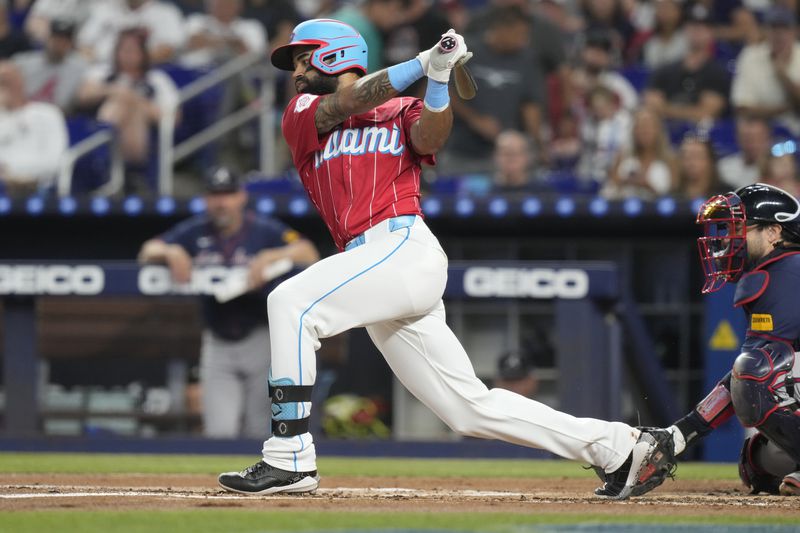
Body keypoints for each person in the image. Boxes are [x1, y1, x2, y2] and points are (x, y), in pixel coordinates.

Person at [216, 18, 674, 499]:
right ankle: (618, 447)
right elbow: (349, 102)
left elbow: (431, 138)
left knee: (291, 302)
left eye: (303, 56)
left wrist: (437, 80)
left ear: (334, 54)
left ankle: (289, 457)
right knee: (467, 409)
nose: (297, 69)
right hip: (370, 264)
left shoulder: (401, 108)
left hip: (400, 246)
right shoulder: (302, 111)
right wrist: (422, 61)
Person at [634, 183, 800, 497]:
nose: (727, 240)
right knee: (758, 462)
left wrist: (683, 433)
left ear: (773, 232)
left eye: (740, 228)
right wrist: (681, 433)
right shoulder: (778, 270)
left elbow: (751, 374)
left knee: (757, 371)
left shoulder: (789, 271)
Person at [137, 167, 320, 438]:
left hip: (261, 338)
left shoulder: (263, 229)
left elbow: (309, 253)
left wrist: (273, 255)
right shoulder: (196, 230)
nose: (222, 202)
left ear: (241, 197)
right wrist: (170, 250)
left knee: (261, 430)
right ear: (206, 199)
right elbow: (147, 251)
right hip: (217, 342)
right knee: (219, 433)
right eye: (215, 195)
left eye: (228, 194)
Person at [442, 6, 546, 176]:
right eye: (519, 34)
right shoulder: (466, 53)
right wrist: (475, 120)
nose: (523, 40)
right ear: (501, 29)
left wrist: (537, 144)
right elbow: (447, 90)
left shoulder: (528, 60)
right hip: (463, 152)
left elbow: (531, 106)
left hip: (508, 158)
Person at [77, 29, 179, 169]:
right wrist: (114, 90)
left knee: (128, 104)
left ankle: (104, 155)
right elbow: (82, 96)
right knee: (119, 101)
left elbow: (173, 118)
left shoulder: (157, 80)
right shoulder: (101, 72)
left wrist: (135, 100)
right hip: (98, 120)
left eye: (133, 51)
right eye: (124, 50)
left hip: (140, 138)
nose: (128, 55)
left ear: (143, 54)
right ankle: (105, 156)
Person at [643, 8, 730, 126]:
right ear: (685, 30)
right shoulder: (665, 70)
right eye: (692, 26)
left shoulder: (718, 73)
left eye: (703, 27)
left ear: (711, 32)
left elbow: (706, 113)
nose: (696, 31)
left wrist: (665, 109)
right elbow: (651, 105)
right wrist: (691, 112)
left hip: (701, 138)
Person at [730, 6, 800, 136]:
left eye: (784, 29)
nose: (779, 35)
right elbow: (742, 109)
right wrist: (784, 109)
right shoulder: (750, 55)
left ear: (795, 31)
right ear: (766, 31)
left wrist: (783, 76)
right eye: (774, 29)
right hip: (758, 133)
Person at [0, 61, 67, 195]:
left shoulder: (48, 113)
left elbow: (55, 161)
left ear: (21, 82)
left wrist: (13, 172)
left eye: (7, 81)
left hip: (36, 186)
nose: (4, 88)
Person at [77, 0, 186, 65]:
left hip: (145, 73)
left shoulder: (166, 12)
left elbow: (166, 50)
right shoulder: (105, 10)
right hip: (100, 71)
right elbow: (84, 45)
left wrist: (129, 64)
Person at [13, 19, 87, 113]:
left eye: (64, 41)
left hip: (58, 118)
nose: (59, 44)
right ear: (47, 38)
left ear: (71, 44)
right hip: (23, 112)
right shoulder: (22, 62)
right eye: (56, 39)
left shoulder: (80, 68)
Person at [603, 107, 676, 200]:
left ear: (658, 130)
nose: (644, 131)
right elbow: (610, 191)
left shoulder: (670, 160)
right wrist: (625, 182)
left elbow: (674, 196)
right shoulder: (622, 157)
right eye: (640, 127)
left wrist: (648, 186)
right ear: (633, 131)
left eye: (649, 126)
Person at [180, 0, 266, 69]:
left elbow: (255, 59)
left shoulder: (251, 27)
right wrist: (231, 43)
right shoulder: (196, 20)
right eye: (219, 2)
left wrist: (209, 41)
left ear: (239, 6)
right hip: (195, 73)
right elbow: (193, 42)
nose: (224, 7)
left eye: (229, 3)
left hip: (236, 77)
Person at [717, 117, 772, 190]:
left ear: (768, 138)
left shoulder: (781, 169)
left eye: (758, 138)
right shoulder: (724, 167)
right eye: (747, 138)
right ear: (738, 138)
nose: (753, 143)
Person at [676, 134, 726, 199]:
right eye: (687, 157)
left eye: (697, 157)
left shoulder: (725, 196)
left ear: (710, 161)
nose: (691, 163)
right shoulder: (673, 197)